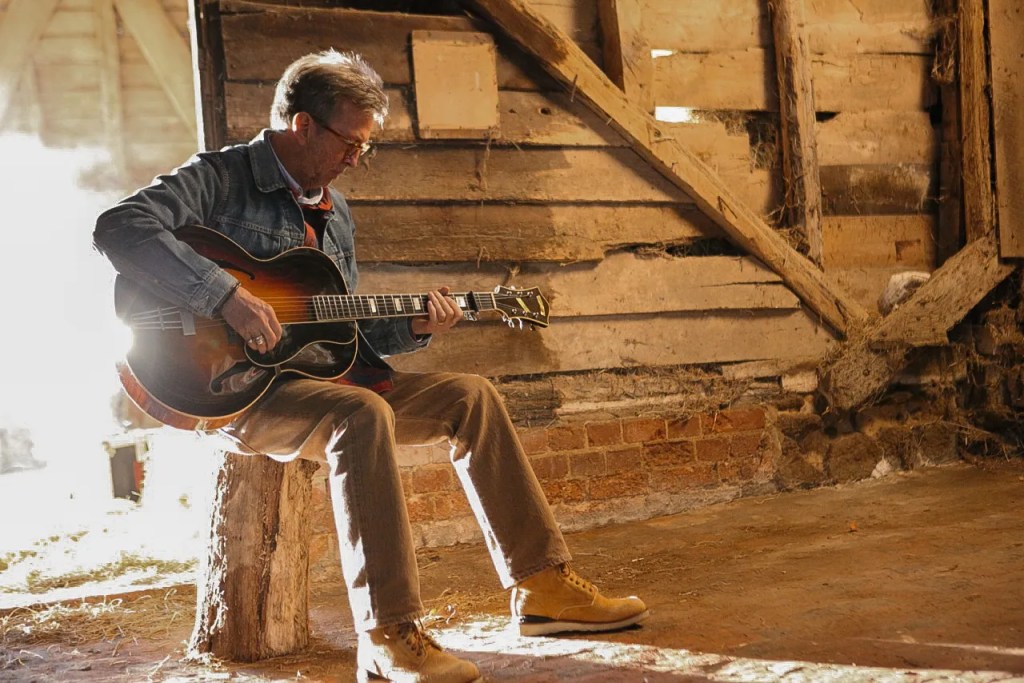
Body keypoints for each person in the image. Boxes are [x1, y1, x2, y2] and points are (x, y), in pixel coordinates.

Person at [94, 49, 647, 683]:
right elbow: (120, 226)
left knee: (472, 396)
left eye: (366, 146)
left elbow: (338, 327)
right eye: (351, 142)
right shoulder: (219, 178)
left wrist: (414, 325)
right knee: (361, 412)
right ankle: (388, 634)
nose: (357, 158)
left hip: (318, 380)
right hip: (230, 390)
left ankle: (542, 586)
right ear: (303, 126)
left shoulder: (337, 212)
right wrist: (224, 296)